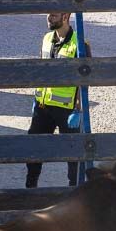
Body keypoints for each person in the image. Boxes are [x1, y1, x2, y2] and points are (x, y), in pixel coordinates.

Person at [25, 11, 90, 189]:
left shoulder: (80, 43)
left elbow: (86, 78)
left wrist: (79, 107)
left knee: (72, 154)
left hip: (66, 109)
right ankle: (30, 189)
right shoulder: (46, 38)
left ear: (65, 17)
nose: (49, 18)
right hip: (42, 107)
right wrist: (36, 99)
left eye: (53, 15)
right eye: (48, 14)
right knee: (34, 150)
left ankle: (74, 191)